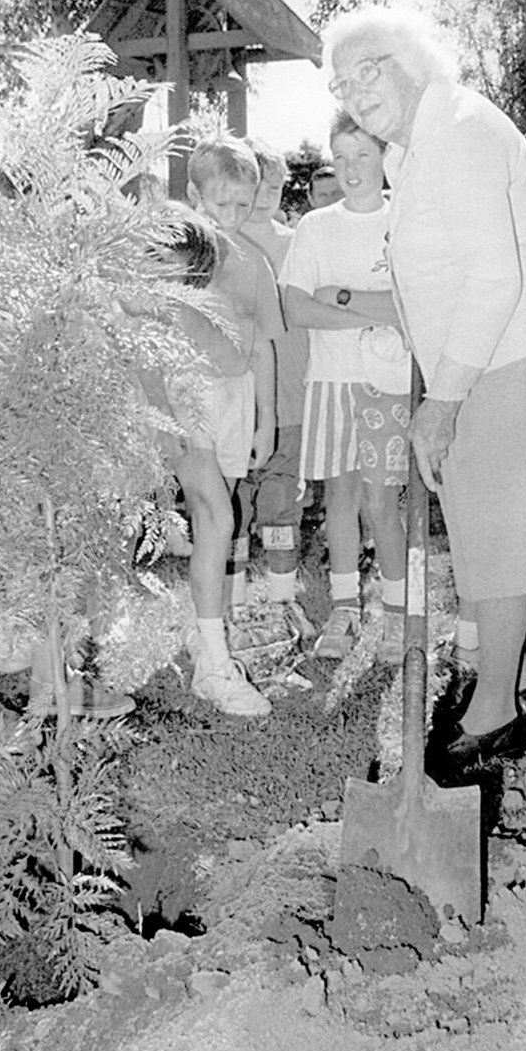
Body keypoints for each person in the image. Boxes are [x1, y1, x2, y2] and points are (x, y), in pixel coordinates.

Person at [323, 6, 526, 780]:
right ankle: (507, 680)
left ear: (407, 58)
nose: (354, 91)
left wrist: (441, 401)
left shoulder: (459, 130)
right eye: (341, 83)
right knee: (486, 532)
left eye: (366, 69)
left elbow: (493, 276)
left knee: (502, 543)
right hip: (482, 357)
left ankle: (496, 716)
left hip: (507, 356)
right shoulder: (418, 144)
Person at [281, 110, 410, 665]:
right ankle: (344, 607)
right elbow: (294, 305)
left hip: (388, 383)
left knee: (382, 501)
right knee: (340, 496)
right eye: (342, 157)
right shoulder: (316, 227)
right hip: (331, 382)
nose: (352, 169)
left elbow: (411, 308)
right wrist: (370, 309)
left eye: (364, 155)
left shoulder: (406, 218)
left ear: (385, 156)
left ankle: (399, 614)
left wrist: (339, 295)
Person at [180, 138, 284, 713]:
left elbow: (264, 343)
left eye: (242, 205)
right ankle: (215, 668)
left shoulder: (253, 262)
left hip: (234, 397)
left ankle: (205, 634)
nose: (231, 217)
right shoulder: (171, 255)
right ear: (194, 196)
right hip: (181, 396)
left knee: (221, 519)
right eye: (220, 204)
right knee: (216, 515)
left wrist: (266, 419)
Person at [237, 139, 315, 641]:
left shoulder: (301, 241)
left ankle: (284, 602)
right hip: (238, 397)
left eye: (275, 183)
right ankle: (234, 606)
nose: (266, 194)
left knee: (283, 503)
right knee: (234, 502)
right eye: (256, 183)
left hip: (291, 396)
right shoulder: (222, 242)